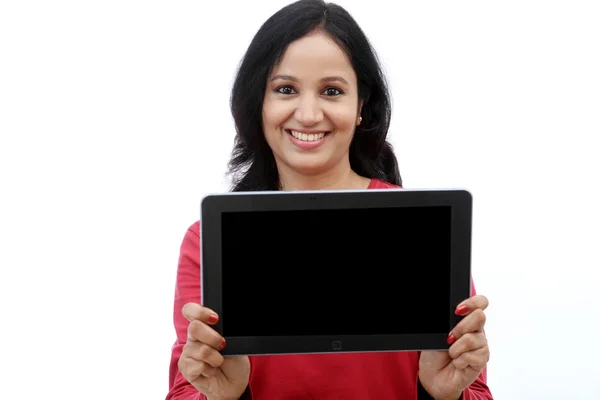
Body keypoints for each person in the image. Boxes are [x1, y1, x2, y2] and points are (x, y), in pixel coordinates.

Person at [166, 0, 493, 399]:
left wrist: (442, 393)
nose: (307, 114)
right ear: (258, 103)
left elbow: (475, 391)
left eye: (331, 91)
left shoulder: (425, 227)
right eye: (285, 89)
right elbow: (185, 390)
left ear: (360, 107)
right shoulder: (209, 240)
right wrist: (223, 394)